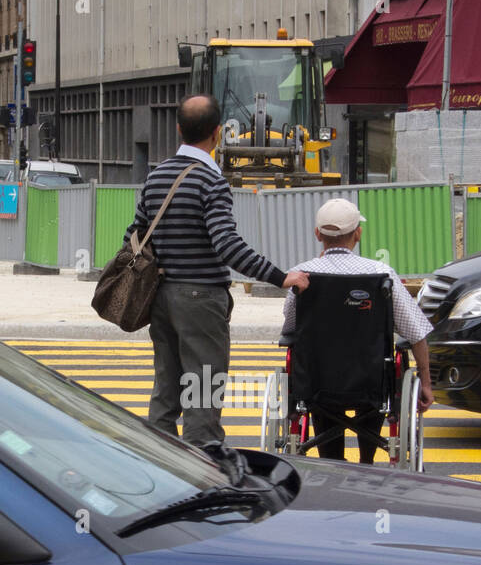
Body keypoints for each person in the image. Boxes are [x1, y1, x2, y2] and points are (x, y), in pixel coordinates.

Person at [124, 93, 309, 446]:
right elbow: (227, 245)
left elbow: (134, 237)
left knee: (166, 388)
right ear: (218, 133)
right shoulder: (211, 181)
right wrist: (280, 277)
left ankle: (163, 463)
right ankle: (202, 470)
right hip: (201, 300)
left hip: (159, 297)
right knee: (203, 392)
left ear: (179, 129)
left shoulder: (157, 177)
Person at [282, 198, 435, 464]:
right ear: (358, 233)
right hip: (370, 381)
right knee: (379, 370)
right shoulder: (380, 274)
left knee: (317, 376)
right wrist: (427, 382)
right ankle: (367, 462)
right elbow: (417, 332)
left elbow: (290, 328)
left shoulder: (301, 275)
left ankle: (332, 462)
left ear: (318, 234)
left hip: (319, 381)